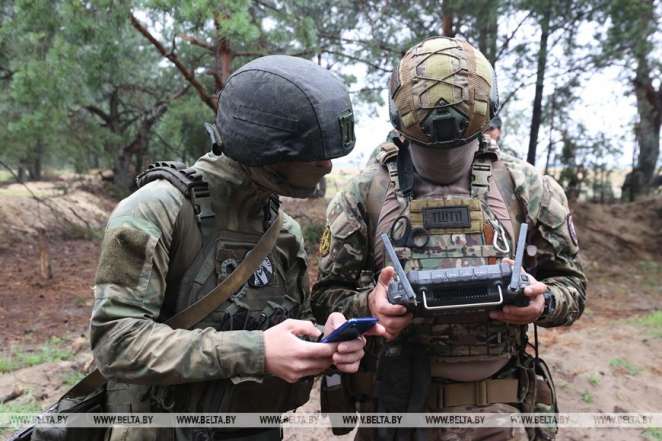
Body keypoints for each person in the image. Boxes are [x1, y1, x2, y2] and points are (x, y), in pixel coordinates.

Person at [90, 55, 379, 441]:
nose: (326, 166)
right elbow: (116, 342)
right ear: (264, 148)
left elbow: (291, 321)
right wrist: (256, 351)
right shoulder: (158, 210)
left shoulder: (283, 231)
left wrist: (323, 338)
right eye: (312, 154)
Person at [312, 37, 587, 441]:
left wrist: (541, 303)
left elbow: (572, 286)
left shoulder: (527, 187)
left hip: (496, 418)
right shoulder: (365, 193)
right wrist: (369, 305)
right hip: (395, 414)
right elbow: (324, 298)